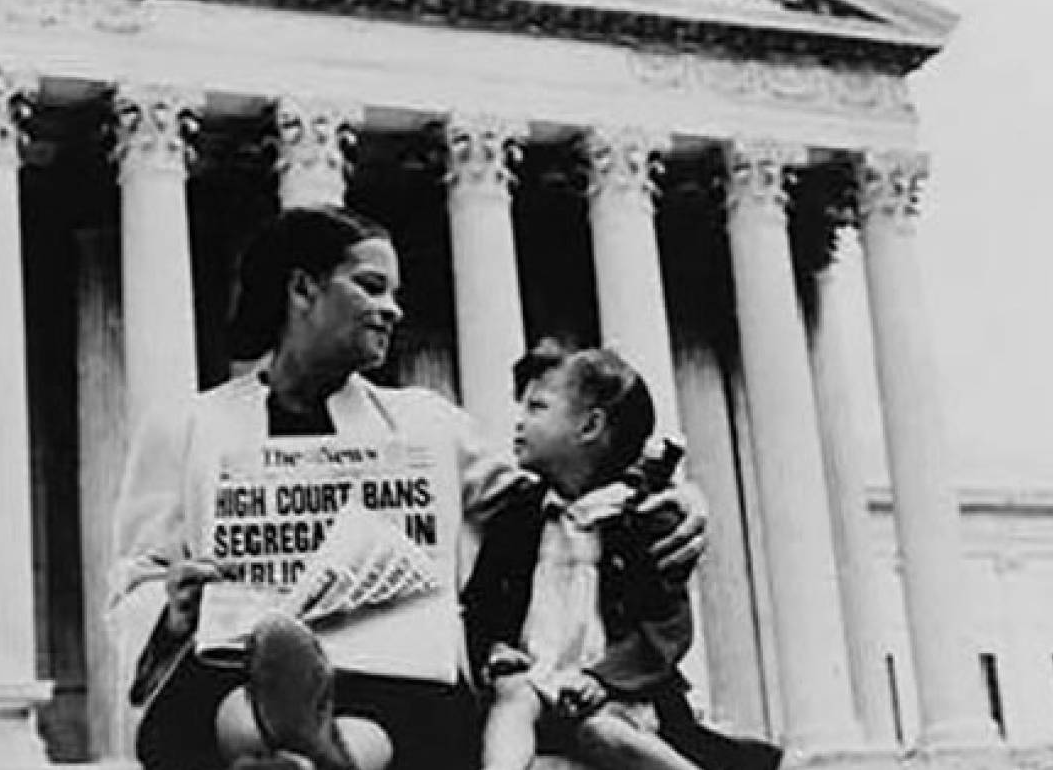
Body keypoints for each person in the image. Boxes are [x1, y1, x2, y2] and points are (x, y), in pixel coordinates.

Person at [108, 206, 711, 770]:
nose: (393, 309)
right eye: (371, 286)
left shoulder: (426, 424)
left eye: (393, 292)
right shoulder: (187, 427)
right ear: (302, 290)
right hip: (236, 666)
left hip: (392, 681)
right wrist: (175, 609)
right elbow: (135, 583)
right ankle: (310, 740)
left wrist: (672, 495)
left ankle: (312, 748)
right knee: (236, 701)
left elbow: (555, 495)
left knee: (390, 712)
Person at [464, 343, 781, 770]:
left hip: (620, 694)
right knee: (512, 698)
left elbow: (665, 628)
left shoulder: (646, 518)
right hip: (534, 684)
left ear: (590, 425)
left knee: (603, 732)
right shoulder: (516, 514)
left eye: (537, 407)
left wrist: (604, 679)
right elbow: (480, 601)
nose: (519, 422)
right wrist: (496, 649)